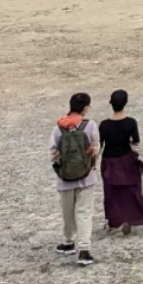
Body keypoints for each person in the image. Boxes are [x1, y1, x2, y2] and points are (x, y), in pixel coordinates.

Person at [49, 92, 100, 266]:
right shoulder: (90, 125)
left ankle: (68, 242)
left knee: (67, 212)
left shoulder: (58, 128)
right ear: (86, 108)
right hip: (86, 177)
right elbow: (95, 148)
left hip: (65, 179)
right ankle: (84, 250)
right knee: (84, 212)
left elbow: (53, 152)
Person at [97, 89, 143, 235]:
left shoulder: (104, 125)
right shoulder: (131, 122)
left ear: (111, 104)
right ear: (125, 104)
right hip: (126, 159)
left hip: (110, 161)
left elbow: (99, 145)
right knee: (131, 189)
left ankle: (113, 221)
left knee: (111, 191)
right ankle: (130, 217)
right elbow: (136, 141)